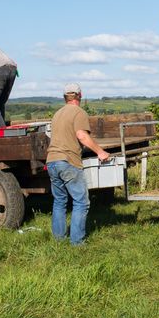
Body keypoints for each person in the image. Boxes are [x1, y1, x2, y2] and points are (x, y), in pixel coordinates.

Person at [45, 83, 112, 246]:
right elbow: (81, 135)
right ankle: (77, 242)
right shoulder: (79, 112)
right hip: (68, 161)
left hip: (52, 161)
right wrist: (100, 151)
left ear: (65, 97)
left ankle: (59, 240)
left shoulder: (57, 114)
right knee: (81, 201)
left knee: (60, 201)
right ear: (80, 96)